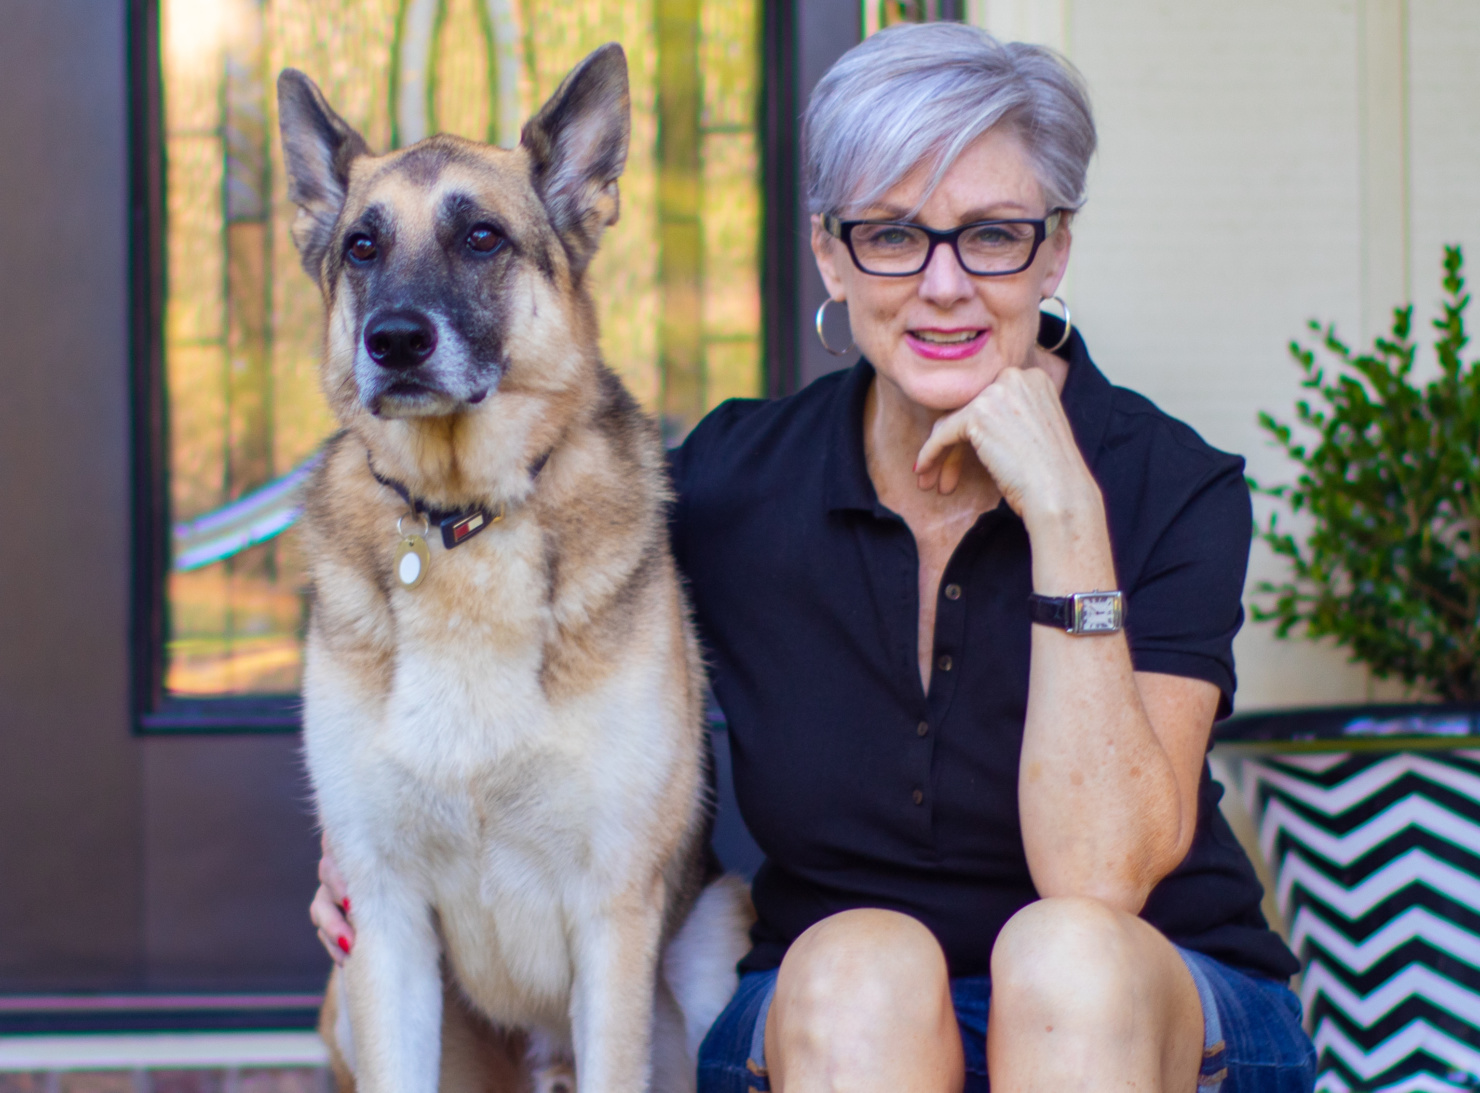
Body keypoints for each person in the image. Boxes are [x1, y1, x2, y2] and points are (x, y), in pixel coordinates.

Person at [311, 22, 1317, 1093]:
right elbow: (509, 617)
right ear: (831, 252)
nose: (941, 284)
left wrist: (1067, 514)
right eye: (891, 233)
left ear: (1055, 250)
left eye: (992, 235)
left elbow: (1099, 875)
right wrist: (380, 854)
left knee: (1065, 957)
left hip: (1147, 1019)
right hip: (845, 1027)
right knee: (856, 962)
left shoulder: (1171, 485)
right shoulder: (732, 482)